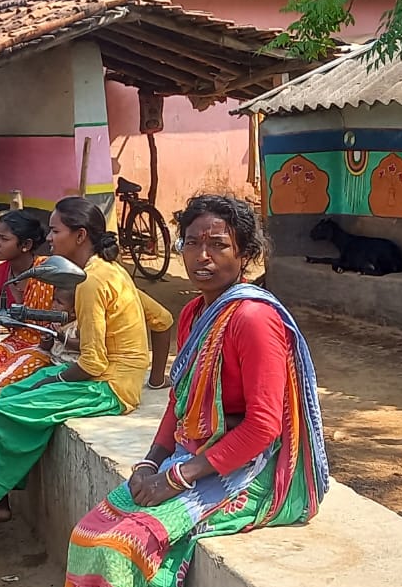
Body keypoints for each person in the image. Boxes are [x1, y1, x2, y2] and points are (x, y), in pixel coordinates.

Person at [64, 195, 330, 587]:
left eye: (218, 244)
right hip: (196, 456)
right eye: (191, 243)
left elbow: (262, 428)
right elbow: (181, 398)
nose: (202, 256)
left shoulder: (254, 319)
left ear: (245, 254)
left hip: (254, 471)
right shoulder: (193, 314)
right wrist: (151, 463)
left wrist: (175, 479)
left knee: (123, 546)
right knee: (88, 532)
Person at [0, 196, 174, 524]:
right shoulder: (108, 269)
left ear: (80, 236)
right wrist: (154, 379)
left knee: (0, 411)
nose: (50, 239)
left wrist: (50, 379)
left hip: (107, 387)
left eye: (55, 231)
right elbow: (164, 318)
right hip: (115, 380)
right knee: (7, 393)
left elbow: (93, 364)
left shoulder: (91, 282)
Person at [0, 210, 56, 401]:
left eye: (4, 238)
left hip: (45, 347)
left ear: (26, 245)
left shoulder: (49, 271)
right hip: (13, 343)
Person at [47, 286, 80, 365]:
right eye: (53, 300)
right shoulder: (56, 323)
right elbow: (46, 347)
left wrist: (61, 337)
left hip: (70, 365)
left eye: (59, 302)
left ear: (74, 312)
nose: (53, 305)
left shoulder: (77, 326)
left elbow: (82, 346)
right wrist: (46, 338)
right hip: (53, 360)